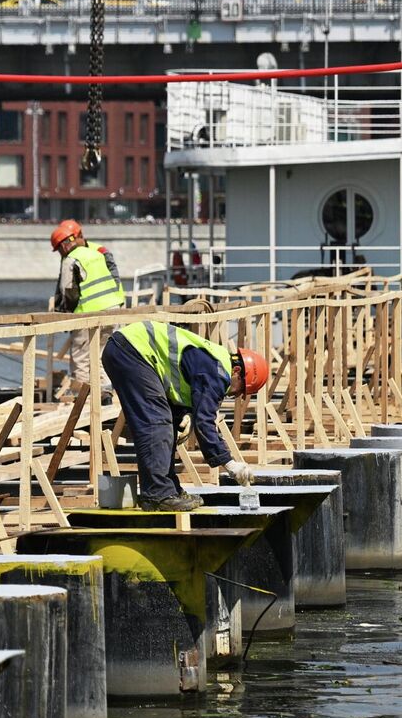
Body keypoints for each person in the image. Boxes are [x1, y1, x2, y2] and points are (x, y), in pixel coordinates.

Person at [100, 319, 270, 512]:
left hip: (129, 351)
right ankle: (158, 495)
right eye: (241, 389)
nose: (236, 395)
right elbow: (205, 421)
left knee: (165, 424)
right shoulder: (218, 372)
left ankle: (167, 489)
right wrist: (229, 463)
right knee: (157, 423)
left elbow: (180, 388)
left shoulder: (213, 363)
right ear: (237, 371)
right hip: (131, 351)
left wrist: (182, 415)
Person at [49, 219, 127, 399]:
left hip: (88, 313)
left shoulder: (71, 259)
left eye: (59, 248)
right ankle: (105, 394)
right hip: (112, 310)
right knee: (102, 355)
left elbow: (68, 290)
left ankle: (81, 398)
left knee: (81, 357)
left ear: (65, 243)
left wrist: (67, 314)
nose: (60, 253)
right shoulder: (97, 254)